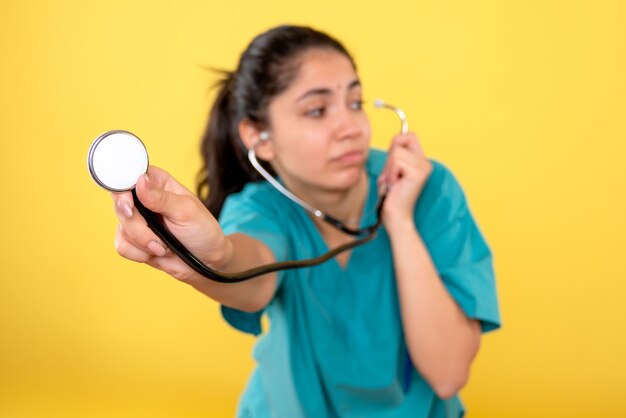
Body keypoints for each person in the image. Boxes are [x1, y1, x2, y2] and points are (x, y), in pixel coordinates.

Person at [111, 25, 501, 418]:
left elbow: (449, 373)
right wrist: (210, 257)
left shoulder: (428, 189)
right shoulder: (262, 210)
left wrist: (399, 220)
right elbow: (251, 274)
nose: (351, 127)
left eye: (355, 102)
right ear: (259, 137)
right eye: (317, 110)